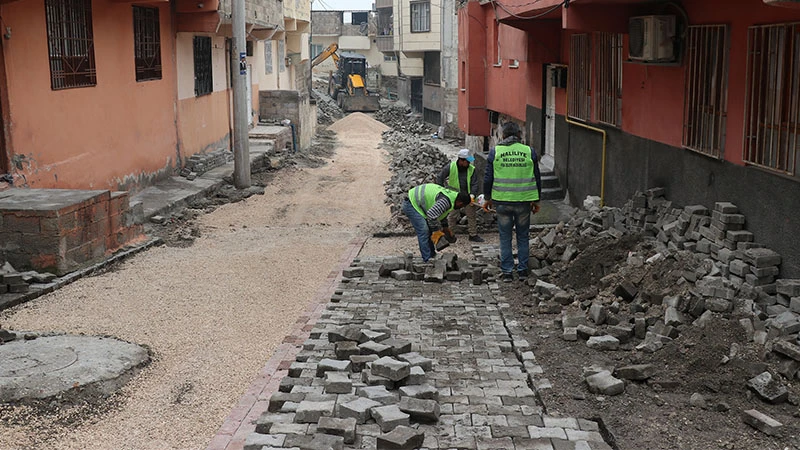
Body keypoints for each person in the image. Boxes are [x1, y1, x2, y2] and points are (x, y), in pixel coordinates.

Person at [483, 122, 542, 282]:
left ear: (502, 135)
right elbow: (537, 177)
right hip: (523, 202)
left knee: (505, 237)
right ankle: (522, 271)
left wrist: (487, 198)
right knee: (523, 236)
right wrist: (536, 200)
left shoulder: (496, 152)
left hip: (502, 202)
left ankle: (507, 272)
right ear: (519, 135)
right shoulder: (529, 151)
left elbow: (488, 178)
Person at [402, 183, 471, 262]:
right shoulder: (445, 201)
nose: (461, 208)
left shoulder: (453, 197)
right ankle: (427, 260)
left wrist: (445, 227)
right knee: (424, 230)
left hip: (418, 202)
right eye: (462, 206)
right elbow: (431, 215)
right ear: (460, 203)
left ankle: (432, 255)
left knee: (429, 229)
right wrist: (436, 231)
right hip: (411, 204)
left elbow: (441, 213)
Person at [437, 149, 484, 243]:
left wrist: (472, 195)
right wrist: (442, 191)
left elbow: (474, 183)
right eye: (467, 161)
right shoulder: (451, 167)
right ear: (461, 160)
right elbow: (440, 177)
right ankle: (450, 235)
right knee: (452, 216)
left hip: (468, 196)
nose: (469, 163)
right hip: (454, 197)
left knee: (471, 216)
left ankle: (473, 234)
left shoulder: (471, 169)